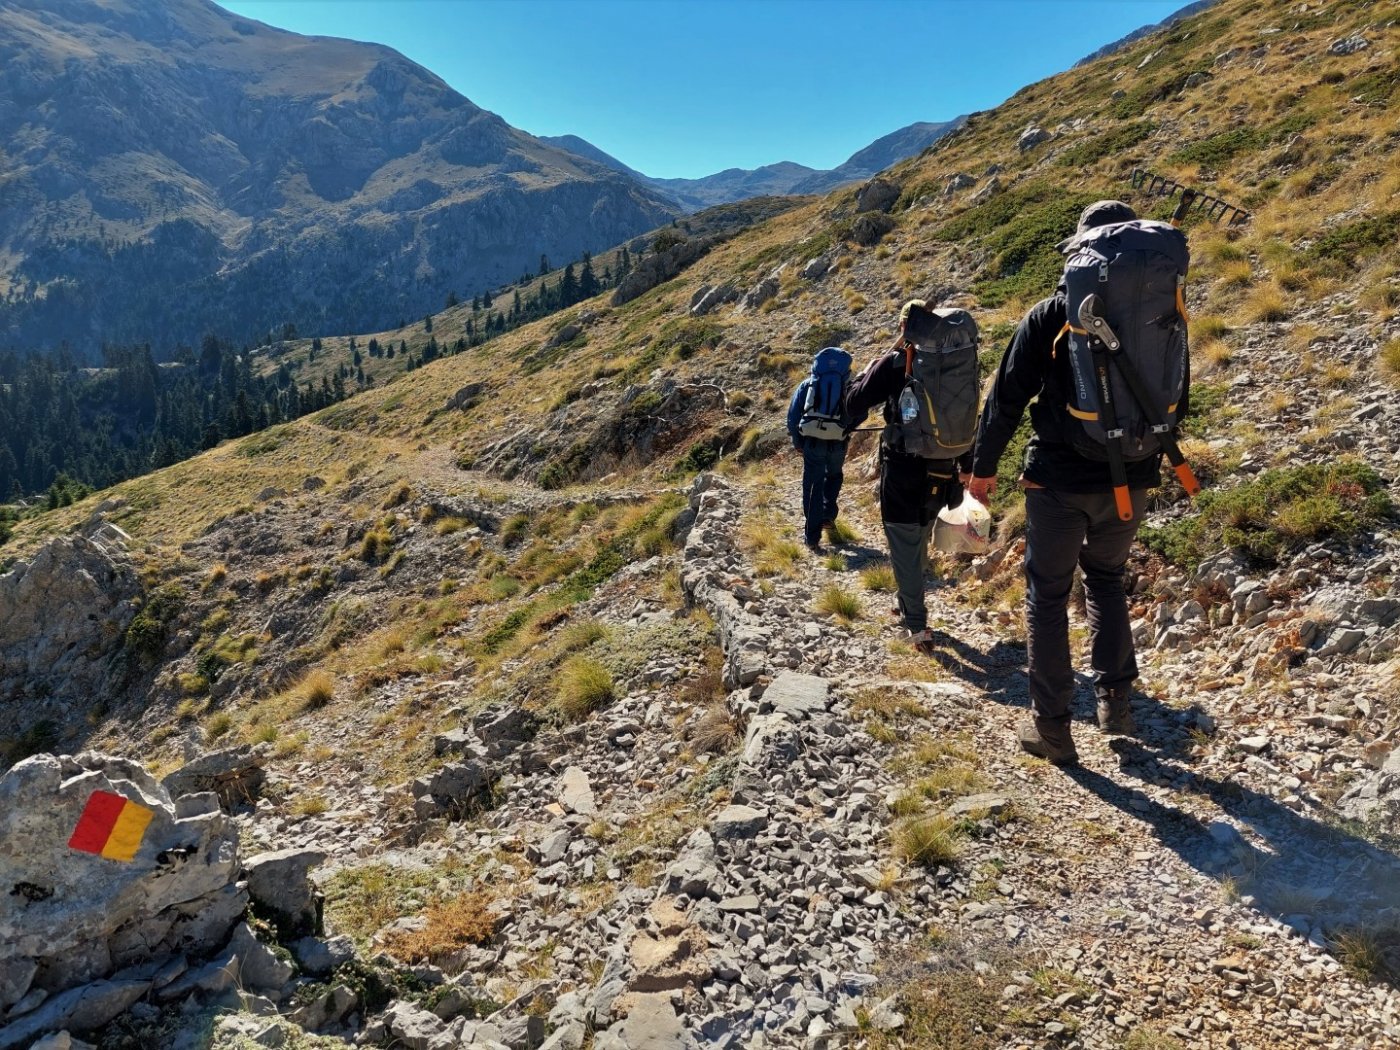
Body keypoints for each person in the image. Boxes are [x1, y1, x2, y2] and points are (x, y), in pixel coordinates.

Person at [967, 199, 1189, 765]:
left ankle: (1054, 729)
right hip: (1131, 478)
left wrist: (983, 469)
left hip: (1058, 481)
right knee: (1107, 580)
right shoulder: (1164, 311)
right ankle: (1116, 703)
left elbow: (1006, 399)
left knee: (1047, 595)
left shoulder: (1054, 313)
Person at [846, 300, 979, 654]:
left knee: (903, 540)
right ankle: (907, 600)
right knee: (918, 535)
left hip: (905, 468)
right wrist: (967, 463)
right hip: (946, 466)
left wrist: (868, 371)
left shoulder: (898, 361)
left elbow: (854, 401)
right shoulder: (958, 362)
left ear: (906, 327)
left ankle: (917, 626)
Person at [786, 346, 853, 550]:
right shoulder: (848, 387)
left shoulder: (807, 385)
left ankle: (812, 537)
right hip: (838, 443)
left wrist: (799, 443)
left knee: (813, 486)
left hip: (812, 443)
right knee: (834, 476)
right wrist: (846, 430)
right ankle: (827, 515)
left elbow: (793, 418)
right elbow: (860, 413)